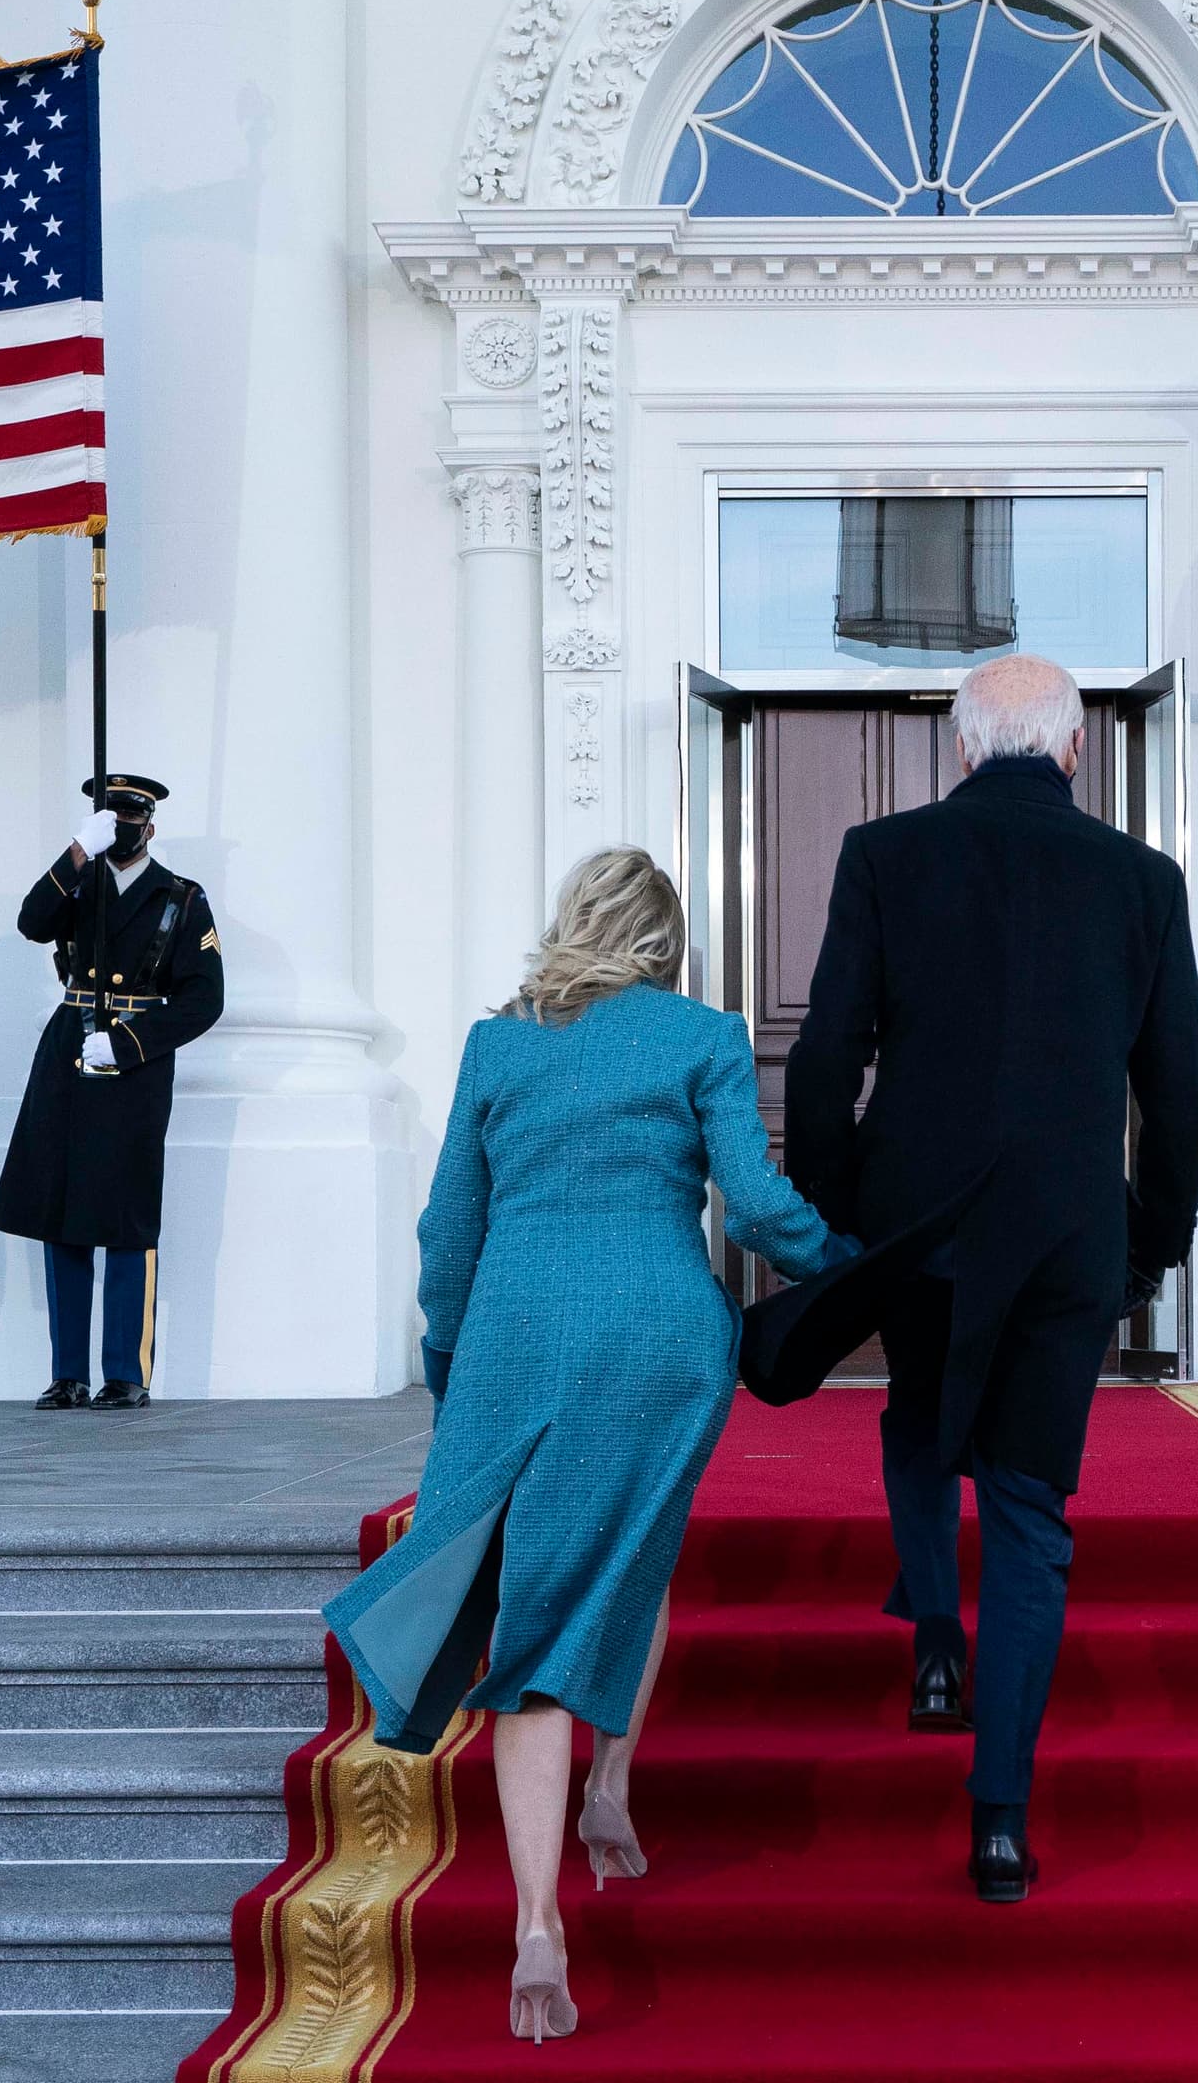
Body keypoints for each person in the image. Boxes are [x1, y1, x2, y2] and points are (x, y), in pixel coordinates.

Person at [323, 847, 855, 2043]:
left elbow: (448, 1223)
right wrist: (846, 1259)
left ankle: (533, 1922)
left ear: (570, 924)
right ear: (667, 943)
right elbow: (758, 1209)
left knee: (532, 1616)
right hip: (660, 1338)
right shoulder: (703, 1035)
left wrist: (448, 1360)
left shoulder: (497, 1044)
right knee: (633, 1551)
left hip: (517, 1331)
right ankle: (609, 1785)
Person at [787, 651, 1198, 1905]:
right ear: (1075, 750)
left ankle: (932, 1641)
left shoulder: (883, 853)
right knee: (1030, 1511)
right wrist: (1154, 1239)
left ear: (965, 750)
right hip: (1066, 1235)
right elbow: (1184, 1088)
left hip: (912, 1223)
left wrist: (834, 1217)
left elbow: (823, 1061)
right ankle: (999, 1821)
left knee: (919, 1415)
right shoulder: (1144, 880)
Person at [0, 773, 225, 1410]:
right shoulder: (81, 881)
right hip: (70, 1048)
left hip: (133, 1061)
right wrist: (74, 853)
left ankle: (125, 1373)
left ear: (150, 828)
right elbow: (31, 922)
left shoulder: (181, 896)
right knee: (60, 1210)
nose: (121, 831)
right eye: (110, 821)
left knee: (125, 1215)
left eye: (130, 822)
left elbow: (205, 998)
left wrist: (128, 1045)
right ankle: (67, 1373)